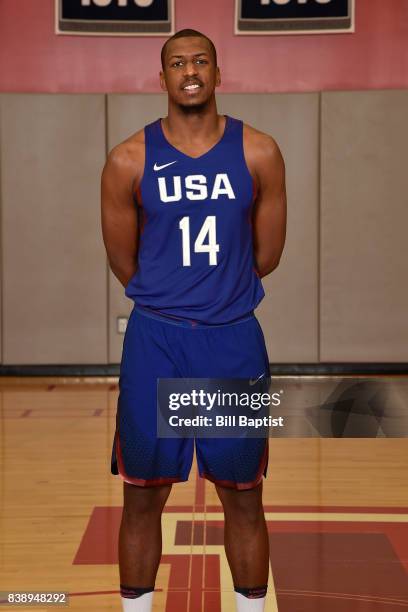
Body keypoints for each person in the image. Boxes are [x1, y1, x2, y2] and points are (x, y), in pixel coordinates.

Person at [101, 28, 286, 612]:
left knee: (243, 496)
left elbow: (267, 257)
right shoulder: (128, 159)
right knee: (142, 497)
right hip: (157, 342)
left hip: (233, 343)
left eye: (201, 60)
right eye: (177, 62)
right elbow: (124, 263)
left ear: (218, 72)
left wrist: (216, 297)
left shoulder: (258, 151)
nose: (190, 70)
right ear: (161, 78)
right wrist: (173, 300)